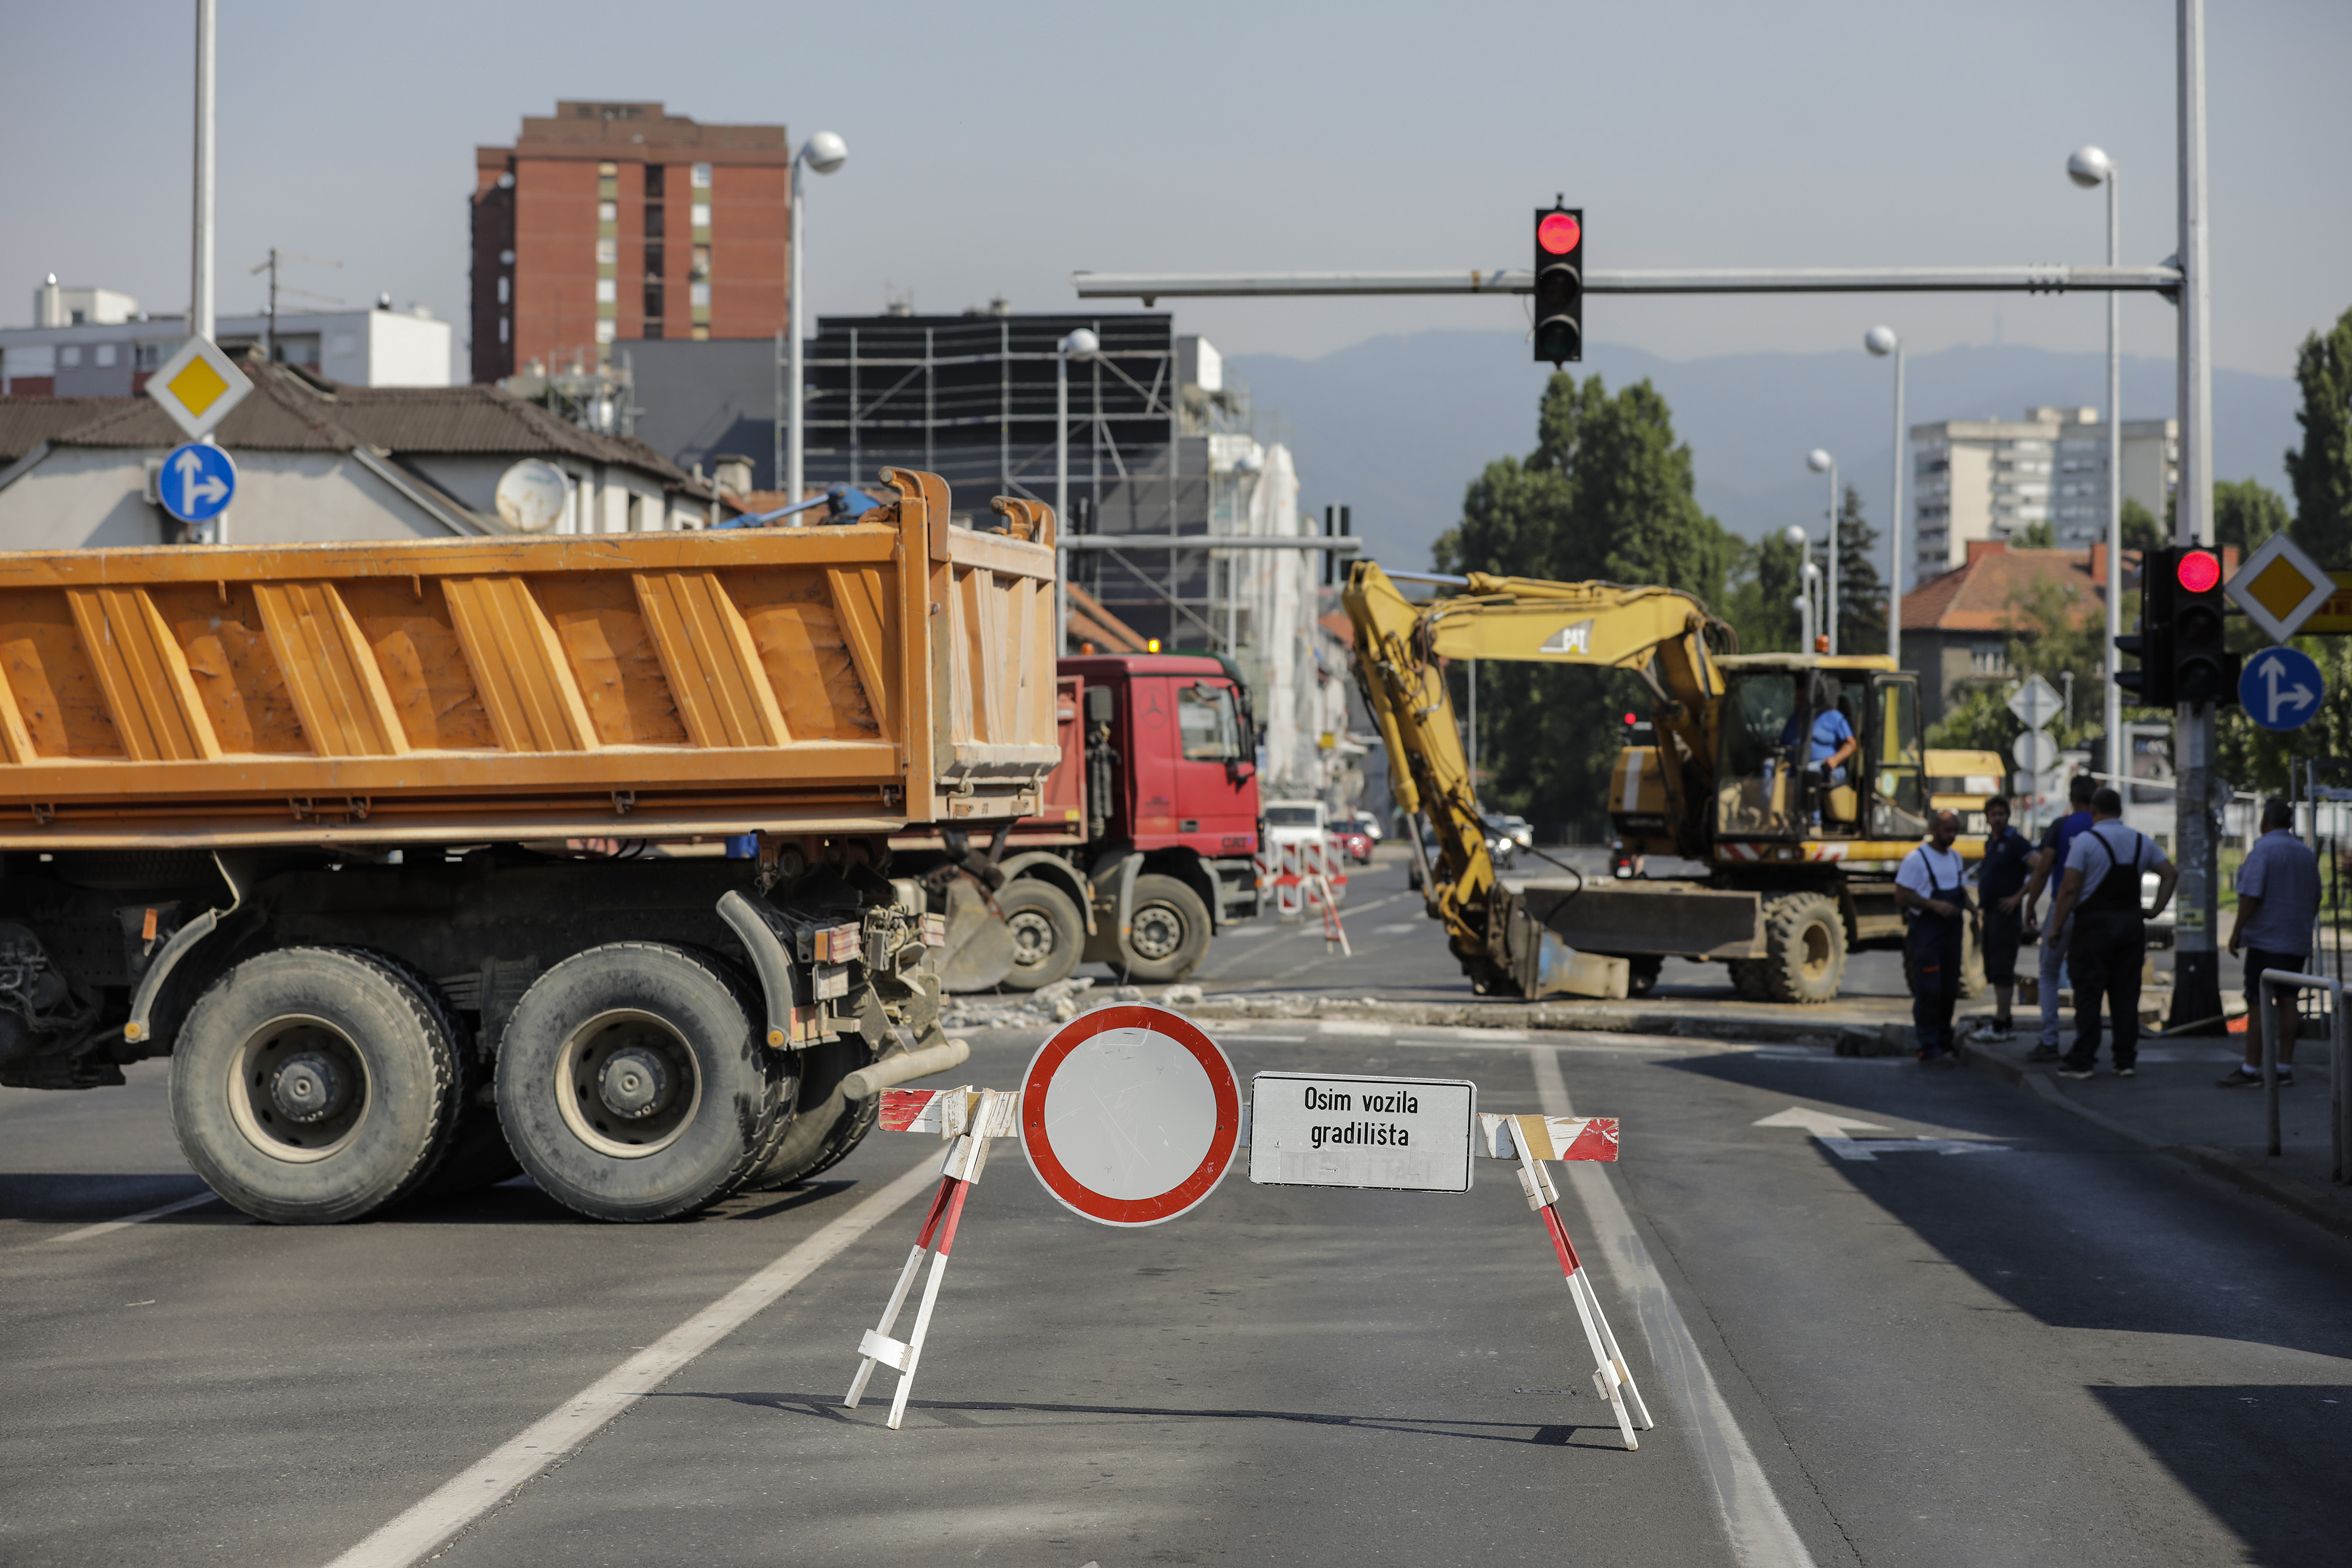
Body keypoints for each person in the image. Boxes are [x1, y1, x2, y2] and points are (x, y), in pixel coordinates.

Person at [2044, 787, 2177, 1080]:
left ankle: (2083, 1060)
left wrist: (2056, 927)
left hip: (2094, 927)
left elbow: (2069, 889)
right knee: (2126, 994)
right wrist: (2154, 911)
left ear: (2094, 811)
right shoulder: (2141, 841)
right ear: (2120, 811)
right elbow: (2170, 873)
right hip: (2131, 925)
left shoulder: (2085, 842)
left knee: (2089, 993)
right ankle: (2125, 1060)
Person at [2220, 798, 2323, 1088]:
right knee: (2289, 1001)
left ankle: (2251, 1068)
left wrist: (2237, 931)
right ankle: (2283, 1068)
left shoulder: (2262, 851)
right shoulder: (2305, 854)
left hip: (2266, 942)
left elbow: (2252, 895)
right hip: (2295, 941)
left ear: (2265, 822)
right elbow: (2316, 899)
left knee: (2258, 1003)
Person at [2019, 774, 2100, 1062]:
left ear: (2072, 798)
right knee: (2088, 977)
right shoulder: (2102, 828)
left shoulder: (2060, 826)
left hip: (2062, 908)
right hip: (2094, 911)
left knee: (2049, 972)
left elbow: (2042, 870)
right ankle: (2084, 1042)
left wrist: (2030, 906)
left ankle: (2050, 1040)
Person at [1895, 809, 1972, 1067]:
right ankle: (1927, 1046)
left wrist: (1972, 907)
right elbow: (1902, 895)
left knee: (1949, 989)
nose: (1951, 836)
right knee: (1929, 990)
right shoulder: (1916, 859)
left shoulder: (1956, 858)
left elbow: (1959, 888)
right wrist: (1932, 905)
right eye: (1947, 831)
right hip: (1928, 933)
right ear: (1934, 829)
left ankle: (1943, 1040)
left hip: (1952, 933)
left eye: (1955, 831)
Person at [1975, 795, 2036, 1039]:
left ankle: (2003, 1023)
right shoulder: (1991, 842)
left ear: (2008, 816)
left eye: (2002, 814)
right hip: (1990, 914)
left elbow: (2040, 866)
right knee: (1993, 967)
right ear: (1987, 818)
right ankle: (2003, 1019)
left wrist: (2018, 896)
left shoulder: (2016, 842)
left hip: (2005, 916)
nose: (1998, 819)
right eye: (1993, 814)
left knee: (2003, 969)